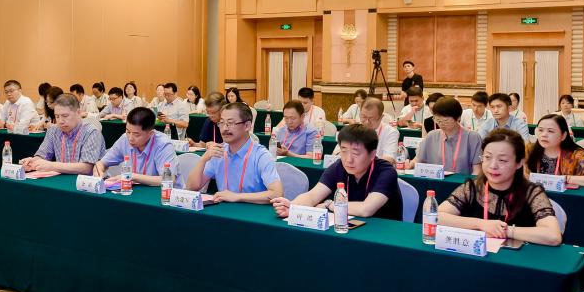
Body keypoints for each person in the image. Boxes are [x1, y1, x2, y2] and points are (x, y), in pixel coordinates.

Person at [438, 129, 562, 246]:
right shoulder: (472, 188)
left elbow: (553, 236)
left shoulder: (532, 192)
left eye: (502, 160)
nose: (493, 165)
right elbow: (436, 216)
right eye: (487, 157)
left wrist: (505, 230)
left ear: (519, 163)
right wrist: (481, 224)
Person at [272, 124, 402, 221]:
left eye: (356, 153)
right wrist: (292, 206)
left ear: (372, 154)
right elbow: (312, 196)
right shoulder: (339, 166)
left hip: (383, 233)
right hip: (348, 228)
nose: (348, 159)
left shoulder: (386, 171)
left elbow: (366, 209)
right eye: (344, 151)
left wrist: (329, 204)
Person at [186, 102, 283, 204]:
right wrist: (203, 160)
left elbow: (277, 193)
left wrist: (237, 197)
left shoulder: (261, 155)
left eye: (230, 123)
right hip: (224, 211)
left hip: (252, 212)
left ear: (247, 126)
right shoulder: (219, 152)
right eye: (221, 123)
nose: (224, 128)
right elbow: (191, 188)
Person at [21, 93, 106, 175]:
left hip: (86, 182)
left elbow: (87, 168)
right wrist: (33, 162)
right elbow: (42, 155)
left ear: (78, 112)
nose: (60, 121)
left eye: (65, 116)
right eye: (57, 116)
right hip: (61, 180)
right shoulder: (54, 130)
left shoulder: (91, 132)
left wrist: (52, 166)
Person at [93, 107, 177, 186]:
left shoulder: (163, 144)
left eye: (136, 135)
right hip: (135, 191)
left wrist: (132, 176)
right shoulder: (125, 139)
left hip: (163, 193)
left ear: (150, 133)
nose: (130, 138)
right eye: (128, 131)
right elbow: (101, 163)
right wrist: (98, 171)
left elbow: (169, 179)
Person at [409, 97, 482, 175]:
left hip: (463, 182)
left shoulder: (472, 137)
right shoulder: (431, 136)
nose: (441, 124)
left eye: (445, 120)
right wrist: (409, 165)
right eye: (438, 120)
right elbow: (418, 160)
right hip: (435, 181)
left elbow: (477, 171)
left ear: (458, 117)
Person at [527, 115, 584, 188]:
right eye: (540, 130)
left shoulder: (575, 155)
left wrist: (564, 179)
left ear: (563, 135)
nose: (544, 134)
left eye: (550, 131)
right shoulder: (528, 150)